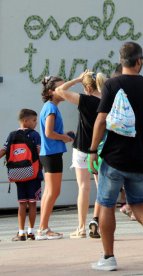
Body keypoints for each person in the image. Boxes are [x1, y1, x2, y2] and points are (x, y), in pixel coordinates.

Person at [88, 41, 143, 271]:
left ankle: (109, 257)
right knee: (138, 202)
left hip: (113, 157)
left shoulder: (112, 85)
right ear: (139, 61)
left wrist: (93, 150)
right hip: (139, 158)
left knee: (106, 204)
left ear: (122, 61)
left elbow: (101, 120)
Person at [55, 70, 106, 239]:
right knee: (101, 188)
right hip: (99, 149)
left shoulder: (85, 99)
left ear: (87, 87)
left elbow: (59, 91)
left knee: (83, 187)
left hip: (82, 148)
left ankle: (81, 227)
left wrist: (76, 79)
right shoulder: (108, 101)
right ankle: (96, 222)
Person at [36, 76, 73, 240]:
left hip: (48, 153)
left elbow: (49, 133)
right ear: (51, 91)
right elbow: (49, 133)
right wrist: (64, 138)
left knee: (49, 192)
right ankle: (43, 229)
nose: (64, 90)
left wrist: (63, 136)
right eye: (60, 87)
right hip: (51, 154)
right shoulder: (51, 108)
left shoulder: (48, 106)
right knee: (54, 192)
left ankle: (42, 228)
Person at [0, 109, 42, 241]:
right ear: (25, 121)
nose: (36, 123)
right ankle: (31, 231)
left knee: (22, 204)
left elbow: (3, 150)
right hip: (34, 174)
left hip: (18, 174)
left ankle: (21, 232)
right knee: (33, 203)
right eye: (34, 120)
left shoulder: (12, 135)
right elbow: (40, 152)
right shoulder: (35, 135)